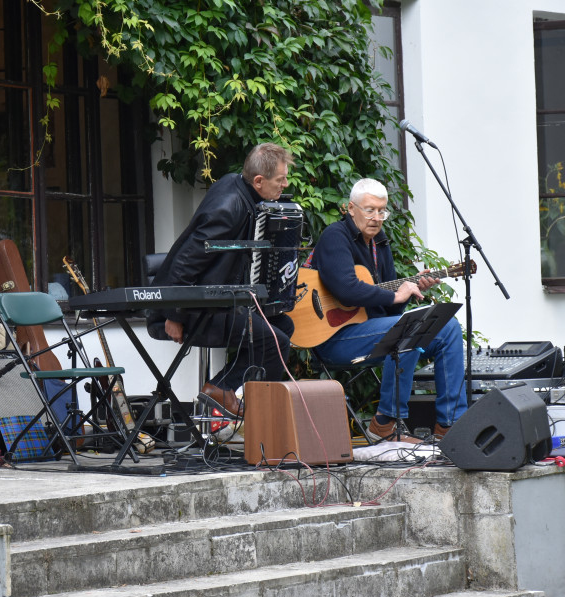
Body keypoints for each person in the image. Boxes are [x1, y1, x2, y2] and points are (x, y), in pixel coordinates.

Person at [310, 178, 467, 442]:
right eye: (369, 210)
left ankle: (450, 428)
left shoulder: (380, 243)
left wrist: (413, 289)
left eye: (382, 211)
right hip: (333, 338)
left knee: (448, 327)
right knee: (408, 328)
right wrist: (397, 295)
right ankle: (385, 423)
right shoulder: (335, 236)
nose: (376, 217)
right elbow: (347, 289)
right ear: (350, 208)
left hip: (375, 333)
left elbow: (389, 307)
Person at [146, 142, 296, 417]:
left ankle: (244, 399)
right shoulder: (228, 208)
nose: (285, 184)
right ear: (259, 181)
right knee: (276, 342)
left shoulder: (239, 186)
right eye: (281, 179)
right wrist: (174, 314)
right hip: (194, 308)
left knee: (282, 325)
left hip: (218, 303)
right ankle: (230, 395)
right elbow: (187, 261)